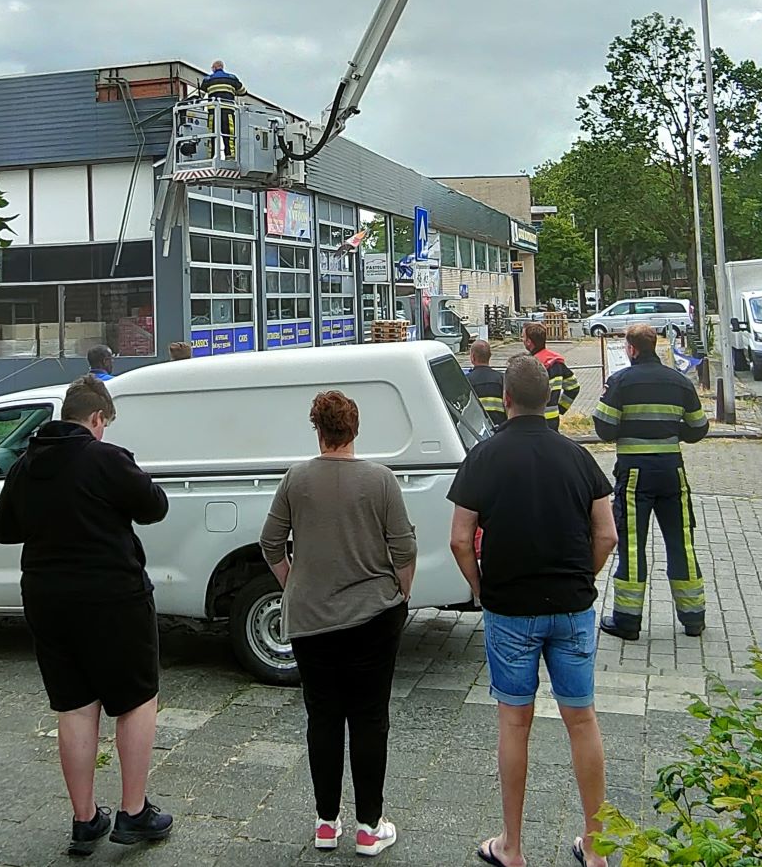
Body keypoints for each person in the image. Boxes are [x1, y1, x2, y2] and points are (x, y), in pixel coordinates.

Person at [0, 376, 174, 855]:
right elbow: (155, 507)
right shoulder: (106, 458)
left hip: (47, 599)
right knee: (136, 698)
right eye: (105, 424)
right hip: (113, 597)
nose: (105, 431)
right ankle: (133, 813)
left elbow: (3, 530)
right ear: (96, 418)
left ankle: (85, 820)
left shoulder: (27, 465)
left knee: (73, 704)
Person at [448, 355, 618, 867]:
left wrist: (481, 589)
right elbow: (606, 533)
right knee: (582, 720)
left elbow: (459, 540)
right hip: (571, 608)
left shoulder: (483, 456)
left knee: (514, 724)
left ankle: (512, 847)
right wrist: (581, 578)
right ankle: (596, 847)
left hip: (510, 610)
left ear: (505, 400)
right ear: (548, 400)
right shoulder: (578, 457)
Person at [259, 391, 416, 858]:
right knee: (370, 719)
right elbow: (403, 549)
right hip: (372, 615)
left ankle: (326, 823)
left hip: (311, 620)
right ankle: (370, 826)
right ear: (354, 430)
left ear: (318, 430)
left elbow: (270, 543)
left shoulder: (296, 479)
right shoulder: (381, 480)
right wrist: (402, 592)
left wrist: (292, 584)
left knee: (322, 719)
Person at [593, 322, 711, 642]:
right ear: (655, 345)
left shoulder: (620, 382)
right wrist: (673, 431)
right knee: (681, 542)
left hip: (634, 474)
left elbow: (603, 427)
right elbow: (699, 427)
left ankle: (627, 621)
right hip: (673, 471)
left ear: (631, 349)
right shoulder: (678, 381)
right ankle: (693, 618)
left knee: (632, 546)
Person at [523, 320, 580, 431]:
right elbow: (573, 387)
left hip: (532, 420)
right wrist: (560, 408)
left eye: (523, 337)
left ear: (529, 342)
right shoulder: (557, 362)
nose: (522, 340)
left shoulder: (529, 365)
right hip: (553, 419)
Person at [198, 60, 245, 159]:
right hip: (228, 110)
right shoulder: (232, 78)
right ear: (222, 67)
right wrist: (231, 92)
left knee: (212, 134)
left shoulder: (208, 79)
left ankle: (212, 156)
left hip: (213, 111)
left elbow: (200, 95)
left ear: (214, 68)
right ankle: (230, 156)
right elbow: (243, 91)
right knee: (229, 134)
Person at [465, 339, 506, 428]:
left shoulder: (466, 381)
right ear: (489, 356)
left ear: (473, 357)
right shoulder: (502, 379)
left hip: (475, 432)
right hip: (500, 430)